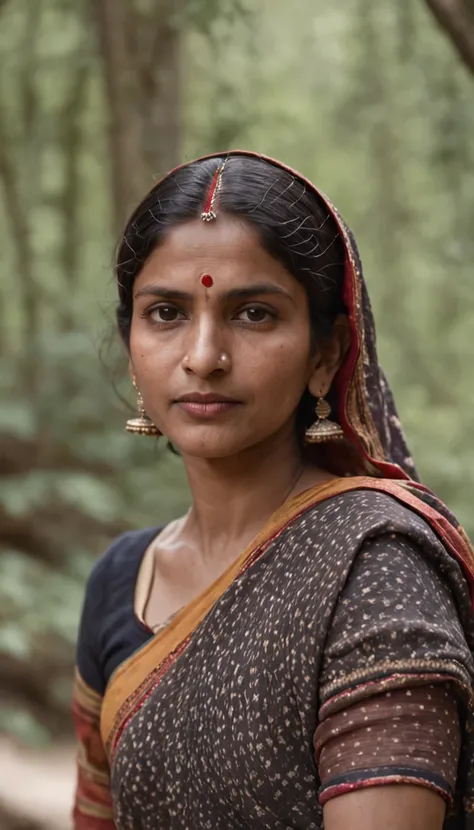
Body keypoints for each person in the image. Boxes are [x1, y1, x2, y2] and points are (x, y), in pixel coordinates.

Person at [71, 151, 474, 830]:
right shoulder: (120, 580)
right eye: (166, 313)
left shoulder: (375, 567)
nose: (203, 355)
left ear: (325, 354)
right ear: (130, 340)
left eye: (253, 314)